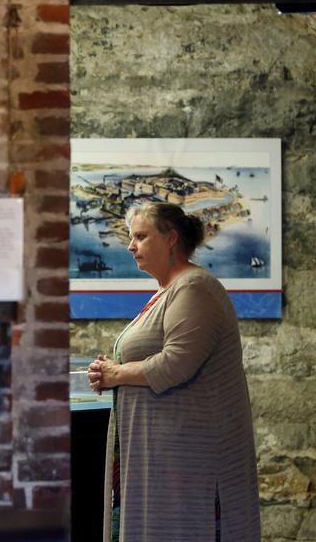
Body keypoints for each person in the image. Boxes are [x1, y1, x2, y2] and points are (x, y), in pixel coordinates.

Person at [88, 202, 260, 542]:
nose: (130, 245)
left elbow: (176, 362)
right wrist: (112, 369)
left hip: (191, 465)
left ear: (170, 239)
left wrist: (116, 374)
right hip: (165, 460)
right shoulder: (168, 290)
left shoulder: (195, 288)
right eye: (130, 237)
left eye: (140, 236)